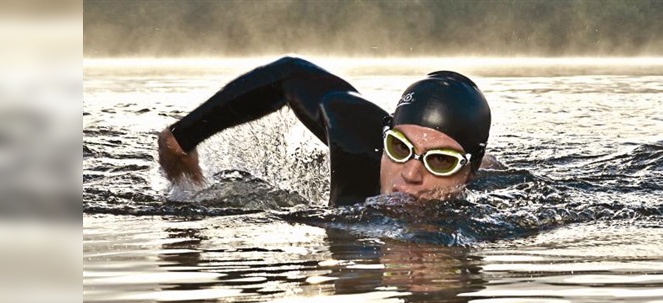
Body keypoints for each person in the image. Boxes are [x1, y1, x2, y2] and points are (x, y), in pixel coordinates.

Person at [158, 56, 493, 206]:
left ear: (470, 173)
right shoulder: (356, 140)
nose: (410, 173)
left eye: (440, 162)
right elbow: (289, 73)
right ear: (386, 137)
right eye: (400, 147)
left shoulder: (498, 214)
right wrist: (183, 137)